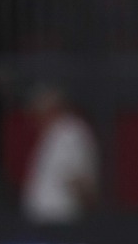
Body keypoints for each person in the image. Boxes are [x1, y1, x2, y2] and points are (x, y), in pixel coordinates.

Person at [21, 88, 99, 225]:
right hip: (43, 219)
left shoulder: (70, 132)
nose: (35, 119)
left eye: (38, 113)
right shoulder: (52, 134)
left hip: (60, 219)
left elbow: (80, 180)